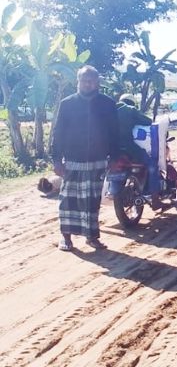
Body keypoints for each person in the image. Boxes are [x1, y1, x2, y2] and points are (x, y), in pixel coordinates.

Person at [51, 65, 118, 251]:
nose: (88, 84)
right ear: (78, 81)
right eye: (84, 80)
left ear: (98, 82)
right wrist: (56, 159)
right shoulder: (67, 103)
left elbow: (114, 132)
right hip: (73, 160)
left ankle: (92, 237)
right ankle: (66, 237)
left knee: (92, 202)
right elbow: (58, 132)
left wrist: (114, 156)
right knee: (68, 201)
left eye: (92, 80)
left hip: (98, 160)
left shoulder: (108, 104)